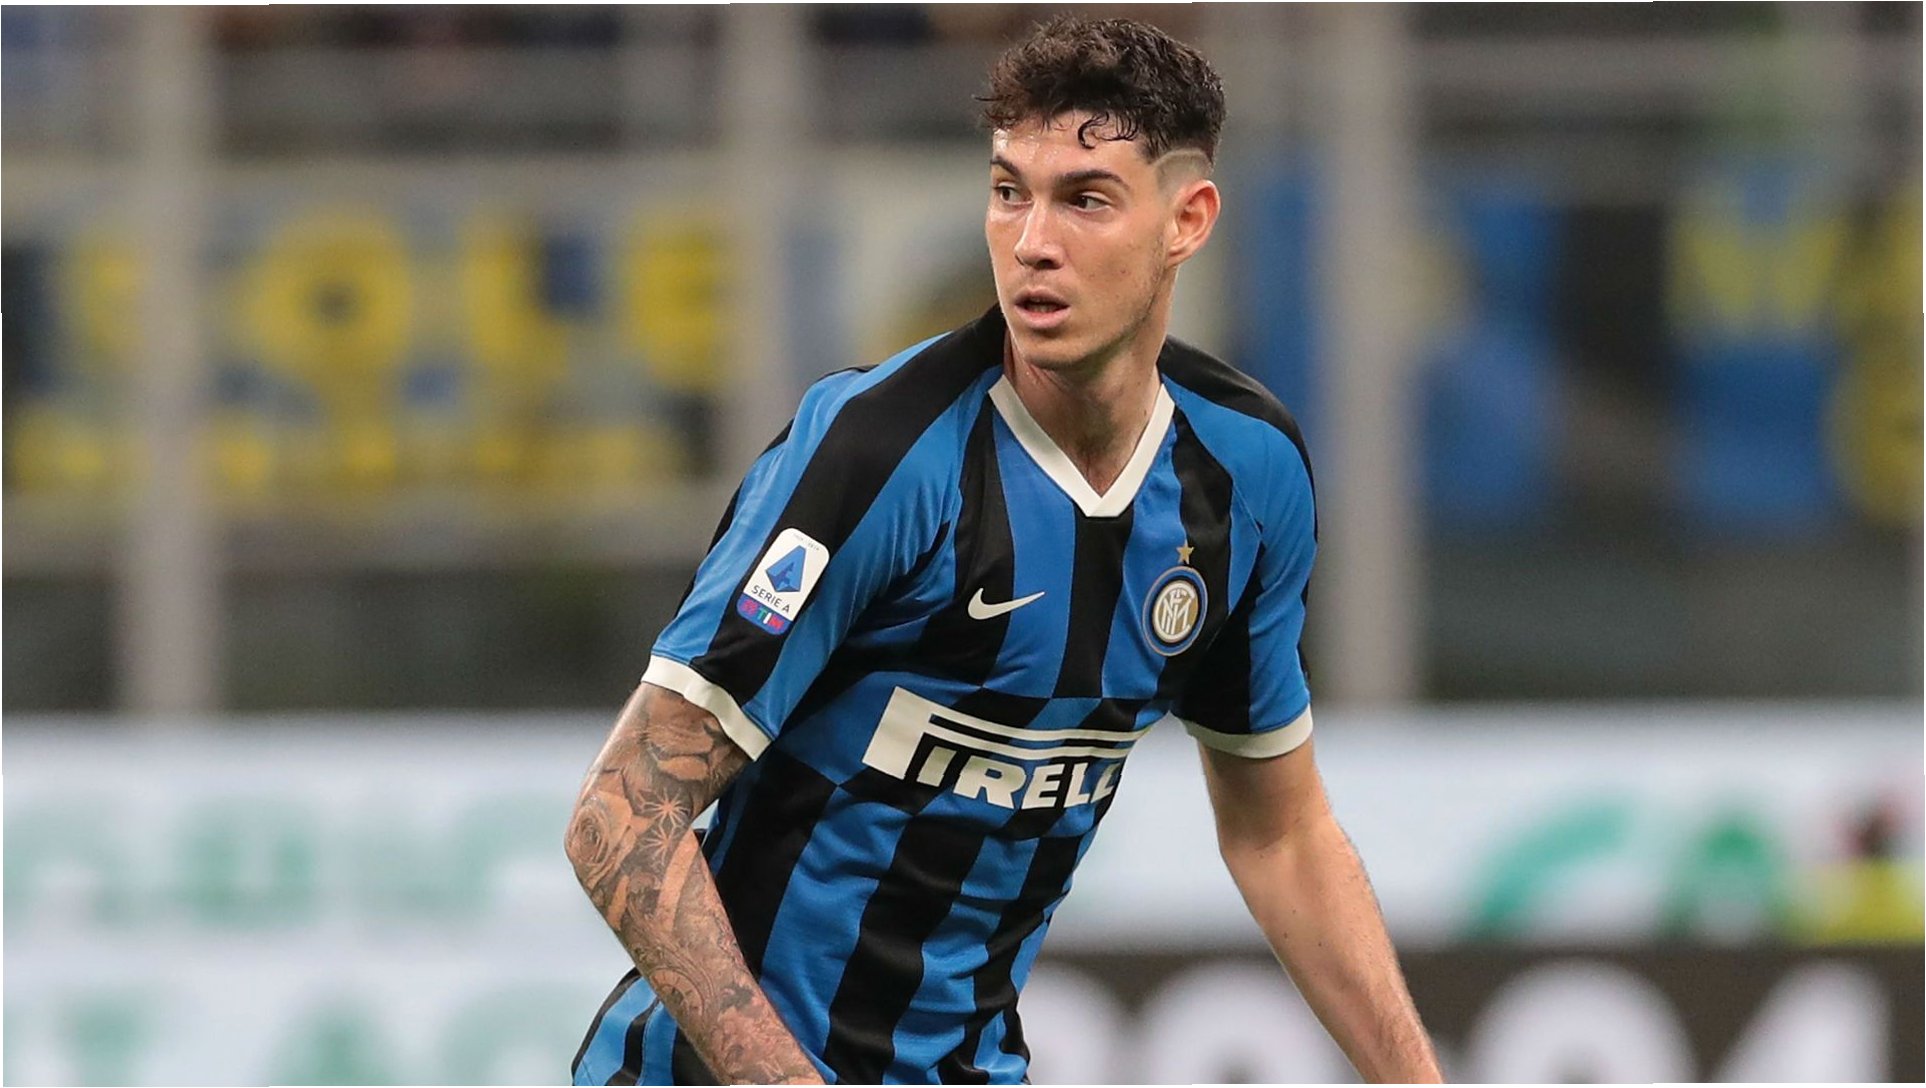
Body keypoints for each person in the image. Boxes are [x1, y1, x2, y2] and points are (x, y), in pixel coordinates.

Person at [566, 14, 1442, 1085]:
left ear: (1187, 220)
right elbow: (622, 815)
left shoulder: (1243, 475)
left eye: (1085, 199)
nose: (1031, 242)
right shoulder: (879, 456)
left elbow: (1281, 836)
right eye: (1008, 191)